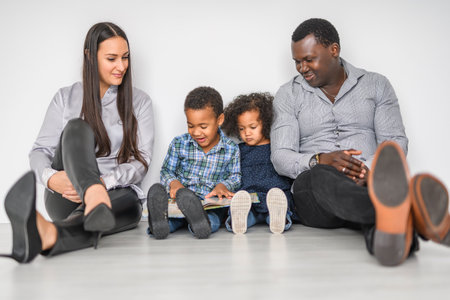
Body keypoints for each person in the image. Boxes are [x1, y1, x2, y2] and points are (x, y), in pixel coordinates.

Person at [270, 18, 450, 266]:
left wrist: (367, 169)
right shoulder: (287, 94)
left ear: (334, 50)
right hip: (315, 194)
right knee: (319, 175)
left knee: (377, 195)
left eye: (308, 59)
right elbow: (280, 155)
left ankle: (391, 232)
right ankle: (413, 215)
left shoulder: (376, 85)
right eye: (297, 62)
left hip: (369, 181)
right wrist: (319, 159)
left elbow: (394, 142)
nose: (302, 68)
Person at [1, 22, 154, 263]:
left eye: (125, 58)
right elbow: (40, 151)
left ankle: (49, 234)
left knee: (131, 206)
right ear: (90, 56)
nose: (121, 66)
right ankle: (93, 196)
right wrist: (52, 178)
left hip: (115, 196)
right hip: (66, 195)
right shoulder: (65, 98)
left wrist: (104, 183)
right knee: (76, 127)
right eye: (112, 58)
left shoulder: (140, 102)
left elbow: (141, 161)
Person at [146, 86, 240, 239]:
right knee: (173, 219)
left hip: (209, 204)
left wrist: (224, 185)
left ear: (220, 120)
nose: (196, 132)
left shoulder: (231, 149)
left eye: (203, 126)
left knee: (213, 220)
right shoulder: (179, 143)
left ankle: (198, 223)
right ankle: (158, 224)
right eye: (191, 126)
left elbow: (235, 176)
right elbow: (166, 171)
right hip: (180, 201)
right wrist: (174, 183)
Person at [221, 92, 293, 234]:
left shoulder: (277, 147)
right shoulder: (238, 150)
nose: (247, 133)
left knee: (279, 205)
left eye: (252, 127)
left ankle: (279, 219)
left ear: (265, 124)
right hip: (249, 200)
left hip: (274, 196)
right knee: (245, 210)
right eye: (242, 129)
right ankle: (238, 220)